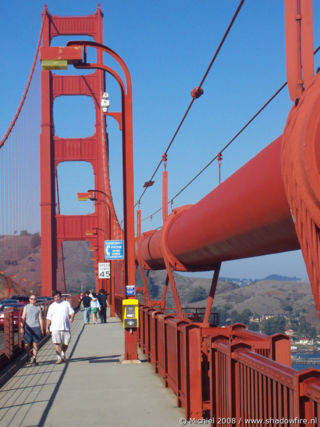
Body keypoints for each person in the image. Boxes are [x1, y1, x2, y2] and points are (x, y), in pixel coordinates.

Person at [46, 291, 75, 364]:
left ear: (61, 297)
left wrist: (72, 318)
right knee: (57, 343)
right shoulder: (51, 306)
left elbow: (72, 312)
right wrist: (46, 328)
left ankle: (63, 352)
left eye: (57, 297)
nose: (56, 299)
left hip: (65, 327)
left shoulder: (66, 303)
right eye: (55, 297)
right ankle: (59, 358)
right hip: (55, 328)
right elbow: (48, 318)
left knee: (66, 343)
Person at [20, 294, 44, 366]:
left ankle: (34, 359)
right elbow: (23, 317)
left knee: (35, 344)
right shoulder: (26, 307)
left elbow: (40, 318)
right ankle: (28, 354)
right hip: (28, 327)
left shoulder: (38, 308)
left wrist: (42, 328)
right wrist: (21, 327)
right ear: (29, 299)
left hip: (36, 327)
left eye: (34, 299)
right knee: (26, 344)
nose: (33, 300)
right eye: (32, 299)